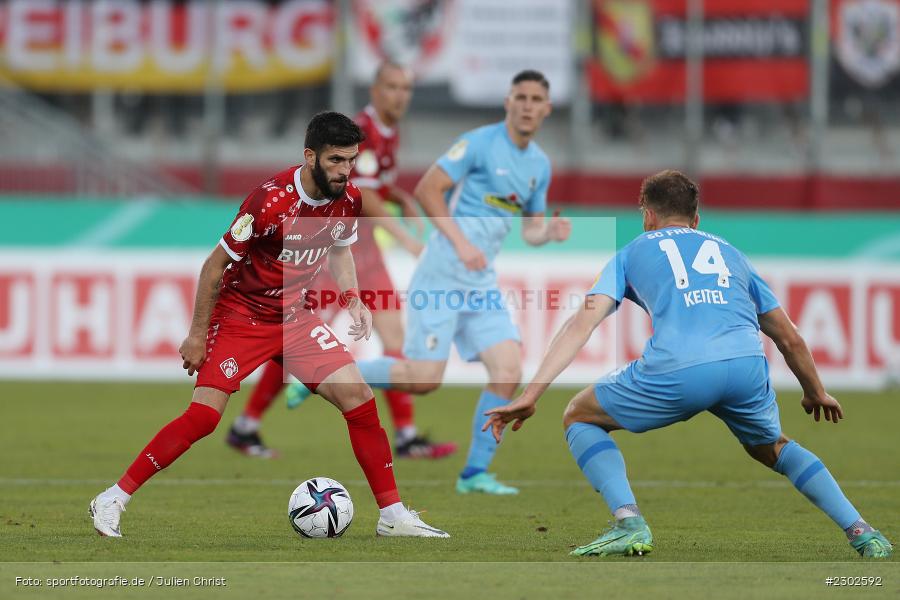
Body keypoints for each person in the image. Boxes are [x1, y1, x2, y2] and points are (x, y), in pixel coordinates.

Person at [483, 169, 893, 558]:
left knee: (580, 416)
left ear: (647, 214)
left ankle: (629, 523)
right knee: (774, 448)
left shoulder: (631, 252)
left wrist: (531, 393)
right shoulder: (731, 253)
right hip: (745, 365)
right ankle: (863, 533)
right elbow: (790, 337)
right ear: (696, 218)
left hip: (680, 369)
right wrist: (815, 391)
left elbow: (582, 322)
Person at [89, 112, 449, 539]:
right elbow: (214, 266)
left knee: (359, 398)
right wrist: (197, 334)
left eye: (351, 160)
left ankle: (392, 515)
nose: (345, 171)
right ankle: (113, 497)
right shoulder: (269, 200)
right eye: (336, 160)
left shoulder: (348, 198)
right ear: (309, 155)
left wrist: (352, 297)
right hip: (241, 316)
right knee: (204, 417)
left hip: (295, 318)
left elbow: (340, 250)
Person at [288, 70, 571, 495]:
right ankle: (321, 372)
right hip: (442, 268)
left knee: (508, 370)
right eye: (521, 97)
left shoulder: (540, 166)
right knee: (424, 377)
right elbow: (427, 189)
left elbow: (530, 229)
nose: (529, 105)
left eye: (537, 99)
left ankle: (474, 474)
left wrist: (547, 233)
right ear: (508, 103)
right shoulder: (478, 144)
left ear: (547, 108)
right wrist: (458, 242)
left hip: (480, 281)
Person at [226, 62, 457, 461]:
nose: (400, 95)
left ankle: (405, 435)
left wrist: (402, 198)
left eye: (406, 88)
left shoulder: (389, 133)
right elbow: (362, 198)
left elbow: (376, 186)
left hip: (369, 258)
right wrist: (404, 238)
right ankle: (246, 425)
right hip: (336, 254)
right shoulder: (360, 133)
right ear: (376, 88)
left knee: (396, 340)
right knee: (290, 345)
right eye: (392, 87)